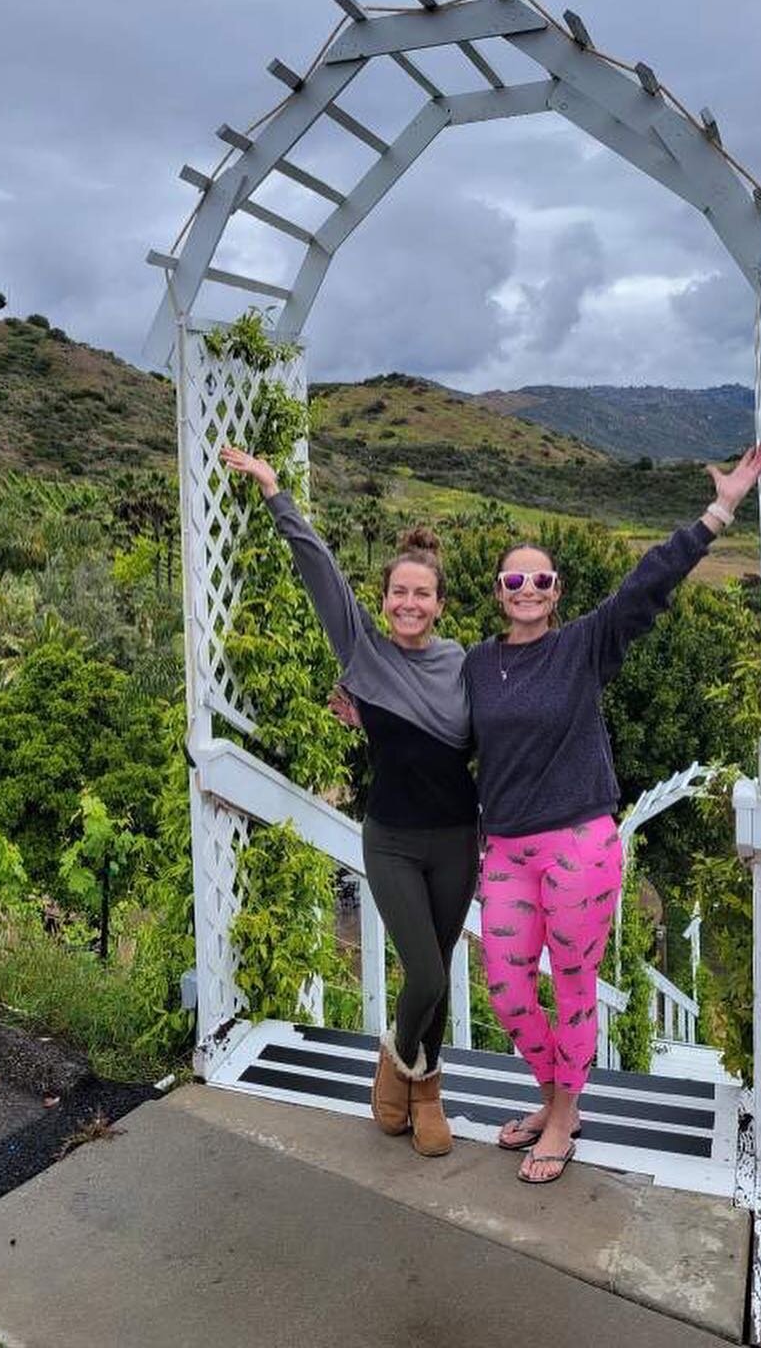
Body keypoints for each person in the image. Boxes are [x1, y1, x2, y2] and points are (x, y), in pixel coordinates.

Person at [466, 445, 761, 1185]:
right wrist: (365, 714)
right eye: (514, 578)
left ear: (556, 589)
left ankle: (564, 1114)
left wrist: (718, 510)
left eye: (540, 578)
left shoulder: (582, 647)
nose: (527, 587)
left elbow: (646, 587)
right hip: (502, 848)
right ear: (499, 591)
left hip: (578, 843)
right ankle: (550, 1097)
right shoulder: (476, 663)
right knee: (505, 985)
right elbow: (433, 722)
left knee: (572, 982)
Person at [220, 445, 478, 1157]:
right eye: (399, 591)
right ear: (386, 595)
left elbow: (497, 733)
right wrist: (275, 491)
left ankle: (424, 1088)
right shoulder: (362, 650)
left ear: (440, 604)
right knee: (423, 971)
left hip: (459, 836)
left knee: (441, 969)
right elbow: (319, 570)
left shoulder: (464, 663)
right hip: (392, 837)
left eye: (423, 594)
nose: (409, 603)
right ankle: (405, 1068)